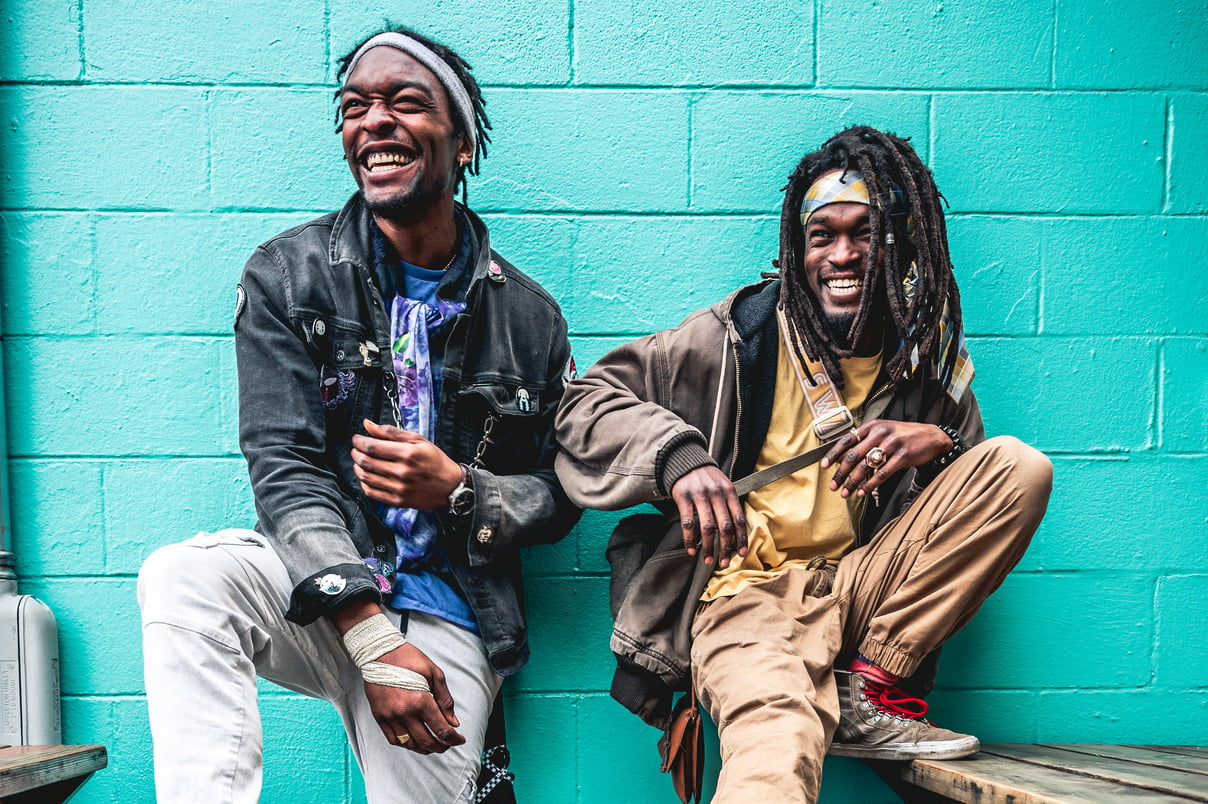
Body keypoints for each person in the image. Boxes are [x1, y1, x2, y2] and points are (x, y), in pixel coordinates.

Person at [138, 26, 579, 803]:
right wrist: (372, 637)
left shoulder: (532, 320)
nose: (373, 121)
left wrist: (463, 488)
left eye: (405, 103)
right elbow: (286, 466)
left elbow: (562, 493)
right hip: (322, 592)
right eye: (354, 107)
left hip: (450, 621)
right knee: (184, 577)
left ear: (462, 142)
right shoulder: (287, 278)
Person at [554, 126, 1052, 802]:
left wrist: (940, 442)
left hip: (861, 593)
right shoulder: (741, 333)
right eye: (822, 236)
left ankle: (867, 690)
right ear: (798, 248)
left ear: (899, 242)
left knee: (1018, 467)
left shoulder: (927, 368)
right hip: (747, 596)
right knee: (775, 750)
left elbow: (970, 514)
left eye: (864, 233)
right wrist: (678, 458)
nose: (841, 254)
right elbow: (585, 403)